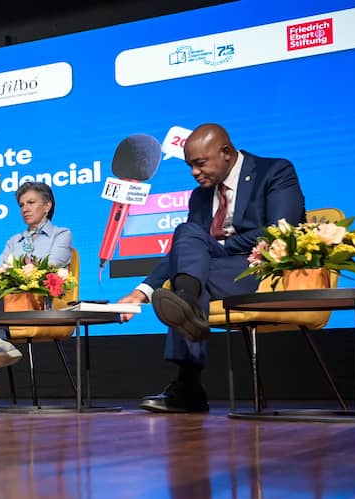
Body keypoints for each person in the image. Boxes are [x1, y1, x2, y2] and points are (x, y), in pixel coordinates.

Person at [117, 123, 305, 413]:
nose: (194, 172)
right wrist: (142, 292)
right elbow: (185, 252)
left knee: (189, 279)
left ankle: (188, 385)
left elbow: (280, 230)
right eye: (190, 166)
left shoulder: (274, 171)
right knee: (186, 237)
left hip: (259, 269)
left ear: (226, 152)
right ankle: (187, 302)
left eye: (200, 163)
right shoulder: (200, 196)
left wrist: (218, 245)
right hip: (211, 271)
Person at [0, 181, 72, 408]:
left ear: (47, 206)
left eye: (31, 203)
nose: (25, 209)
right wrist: (12, 272)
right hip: (9, 302)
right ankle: (0, 341)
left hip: (38, 301)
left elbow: (53, 265)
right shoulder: (14, 241)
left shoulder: (61, 234)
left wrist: (19, 270)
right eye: (22, 205)